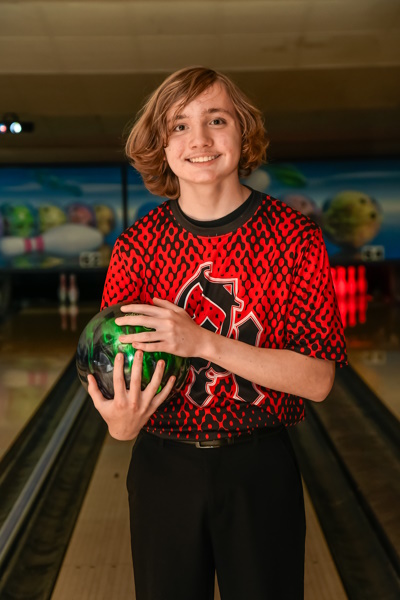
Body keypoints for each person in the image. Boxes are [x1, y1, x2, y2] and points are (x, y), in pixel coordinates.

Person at [88, 66, 347, 600]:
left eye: (216, 119)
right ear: (161, 145)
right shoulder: (136, 246)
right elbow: (112, 369)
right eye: (179, 125)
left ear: (243, 132)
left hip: (260, 467)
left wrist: (203, 342)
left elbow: (318, 380)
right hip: (163, 467)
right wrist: (118, 423)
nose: (199, 139)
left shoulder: (294, 236)